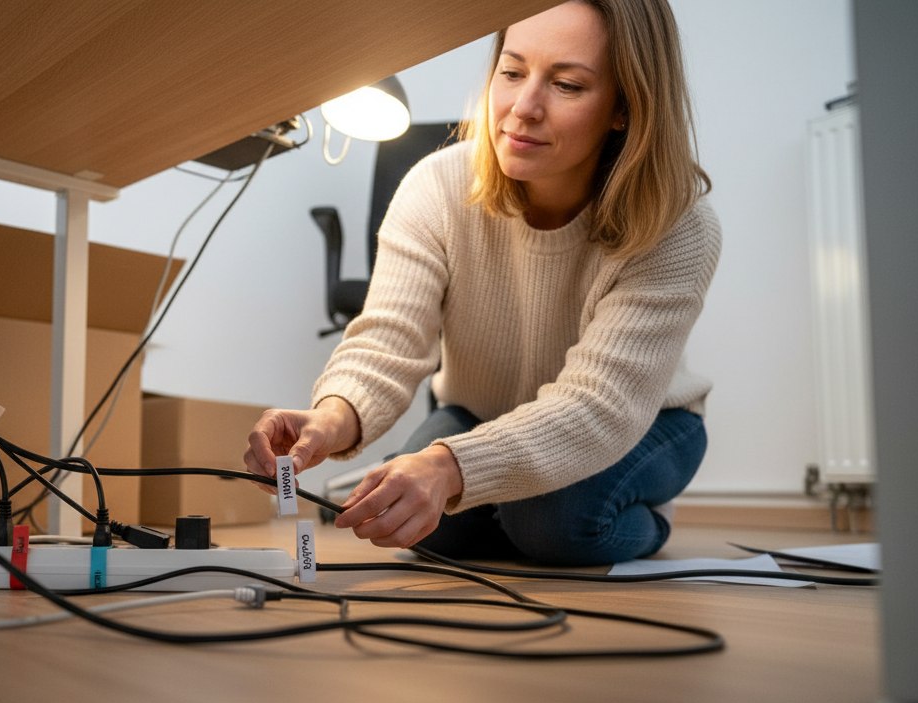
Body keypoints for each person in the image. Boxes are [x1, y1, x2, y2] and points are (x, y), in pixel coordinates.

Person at [243, 0, 720, 566]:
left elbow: (600, 406)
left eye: (566, 85)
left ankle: (639, 520)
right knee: (420, 523)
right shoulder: (437, 187)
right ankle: (511, 515)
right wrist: (331, 417)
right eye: (512, 72)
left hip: (646, 423)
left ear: (625, 106)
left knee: (553, 524)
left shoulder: (679, 224)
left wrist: (449, 467)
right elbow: (389, 341)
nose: (522, 108)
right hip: (482, 411)